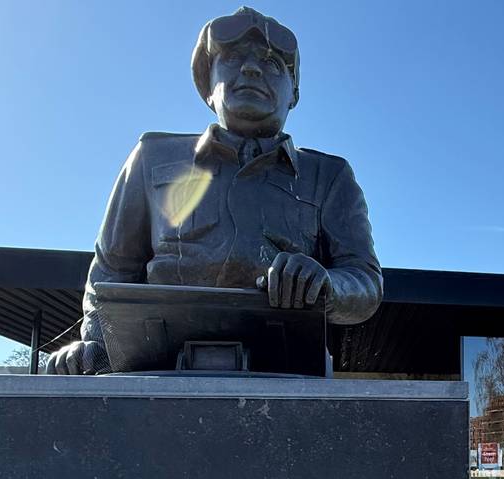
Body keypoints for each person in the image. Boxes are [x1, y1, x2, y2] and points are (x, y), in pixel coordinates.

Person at [48, 7, 382, 375]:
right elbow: (112, 268)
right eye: (234, 58)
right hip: (158, 372)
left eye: (273, 64)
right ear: (207, 86)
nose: (252, 69)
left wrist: (327, 285)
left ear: (294, 93)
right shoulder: (152, 158)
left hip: (285, 376)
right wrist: (96, 342)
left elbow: (364, 281)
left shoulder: (329, 176)